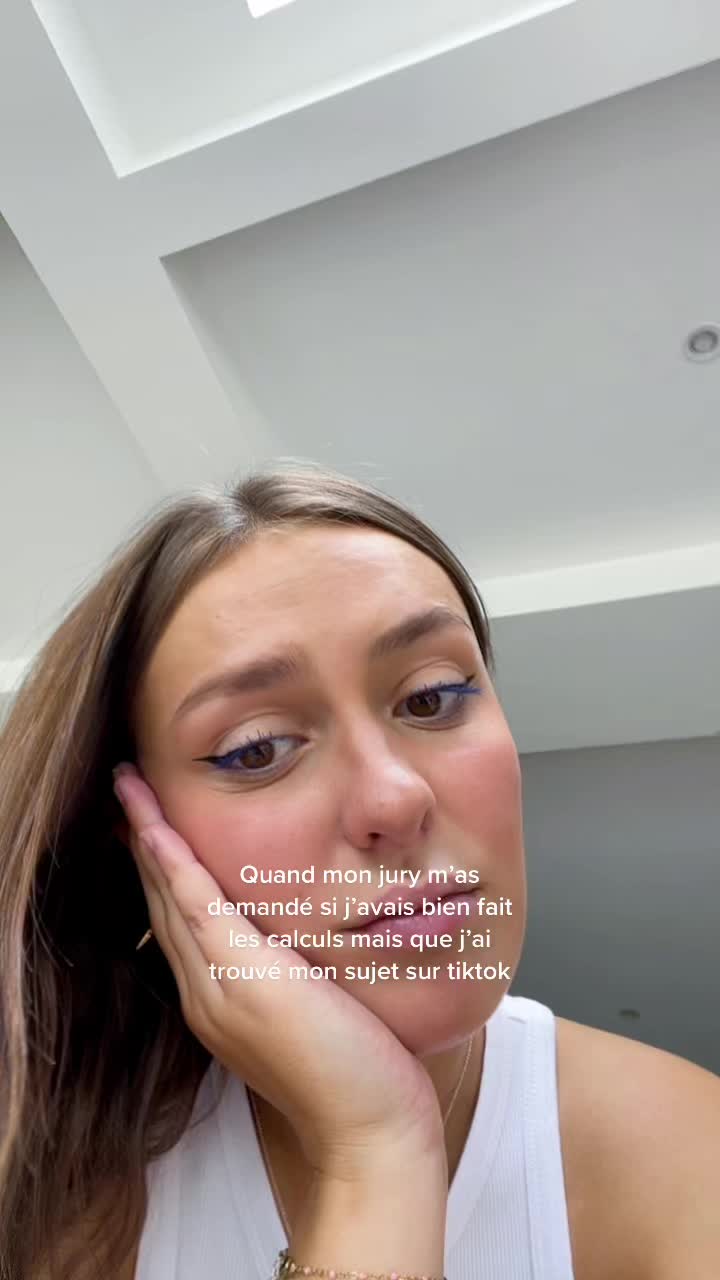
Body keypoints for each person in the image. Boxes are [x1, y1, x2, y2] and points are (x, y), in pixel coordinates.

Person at [0, 461, 717, 1280]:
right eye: (257, 749)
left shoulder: (688, 1160)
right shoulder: (52, 1183)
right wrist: (376, 1154)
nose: (396, 797)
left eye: (431, 697)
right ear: (138, 836)